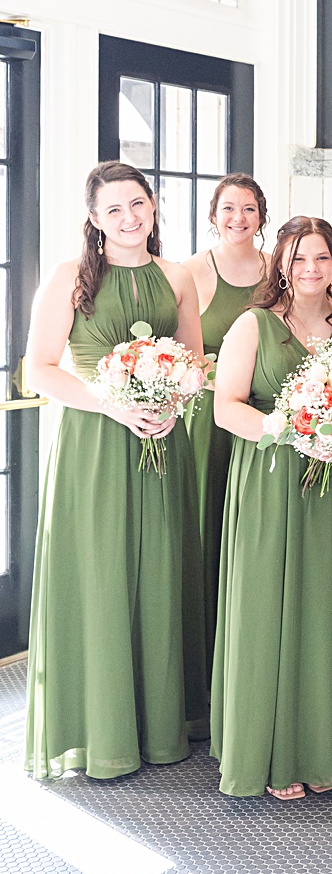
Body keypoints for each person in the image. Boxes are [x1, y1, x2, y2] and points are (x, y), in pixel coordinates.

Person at [24, 161, 207, 779]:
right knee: (103, 573)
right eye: (113, 210)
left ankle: (161, 725)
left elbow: (196, 362)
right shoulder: (69, 277)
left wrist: (170, 400)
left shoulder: (176, 276)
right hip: (96, 444)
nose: (128, 219)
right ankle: (101, 729)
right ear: (95, 220)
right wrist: (114, 403)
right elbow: (39, 369)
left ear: (153, 206)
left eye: (137, 204)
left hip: (162, 440)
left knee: (159, 569)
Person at [210, 217, 332, 799]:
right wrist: (289, 430)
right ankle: (274, 749)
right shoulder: (252, 325)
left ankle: (325, 742)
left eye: (323, 260)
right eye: (299, 258)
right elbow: (226, 408)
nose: (311, 270)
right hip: (271, 481)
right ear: (280, 263)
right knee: (269, 609)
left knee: (323, 603)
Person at [183, 175, 268, 677]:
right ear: (213, 214)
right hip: (210, 420)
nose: (239, 218)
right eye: (229, 209)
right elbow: (180, 351)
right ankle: (204, 648)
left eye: (250, 209)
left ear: (262, 216)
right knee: (207, 520)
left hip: (263, 418)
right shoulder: (193, 271)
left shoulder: (277, 269)